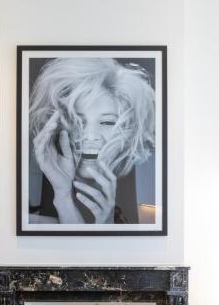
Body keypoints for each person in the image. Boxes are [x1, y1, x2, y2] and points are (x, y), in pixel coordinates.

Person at [27, 57, 155, 225]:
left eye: (107, 122)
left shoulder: (123, 220)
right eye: (77, 120)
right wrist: (63, 195)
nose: (90, 135)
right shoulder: (28, 221)